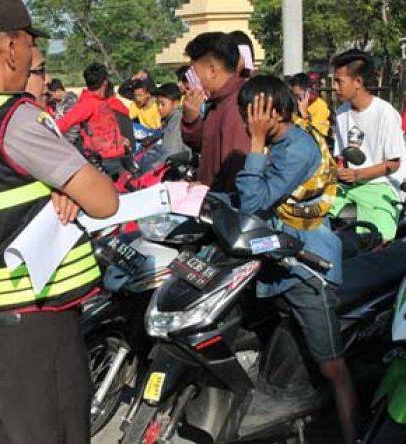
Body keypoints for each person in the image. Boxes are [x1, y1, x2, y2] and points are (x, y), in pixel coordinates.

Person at [0, 0, 119, 441]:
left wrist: (50, 187)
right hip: (34, 319)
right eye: (32, 47)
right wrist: (66, 186)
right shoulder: (12, 118)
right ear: (12, 48)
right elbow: (104, 201)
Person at [235, 75, 356, 444]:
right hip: (278, 259)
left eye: (253, 114)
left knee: (332, 364)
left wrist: (255, 144)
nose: (247, 122)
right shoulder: (283, 140)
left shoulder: (295, 149)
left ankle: (355, 434)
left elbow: (254, 202)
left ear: (274, 113)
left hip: (308, 269)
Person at [329, 49, 406, 242]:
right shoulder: (341, 113)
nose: (334, 87)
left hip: (381, 185)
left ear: (358, 82)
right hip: (348, 186)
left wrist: (357, 174)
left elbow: (394, 164)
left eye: (339, 81)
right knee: (316, 219)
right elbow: (341, 158)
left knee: (378, 241)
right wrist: (338, 171)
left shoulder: (385, 113)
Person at [181, 32, 251, 192]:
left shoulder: (236, 105)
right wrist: (191, 119)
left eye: (195, 70)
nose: (193, 78)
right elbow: (202, 145)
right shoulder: (216, 101)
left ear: (212, 70)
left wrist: (208, 191)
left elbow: (236, 174)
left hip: (224, 207)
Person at [57, 62, 129, 175]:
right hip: (103, 162)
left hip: (116, 156)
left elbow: (106, 129)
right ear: (105, 83)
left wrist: (121, 139)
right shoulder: (87, 104)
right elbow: (62, 124)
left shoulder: (101, 102)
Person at [137, 83, 190, 172]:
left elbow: (170, 153)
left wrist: (148, 171)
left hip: (174, 172)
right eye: (157, 104)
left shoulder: (176, 120)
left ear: (175, 103)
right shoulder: (168, 120)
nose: (159, 108)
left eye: (162, 104)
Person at [288, 72, 331, 141]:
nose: (296, 99)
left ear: (309, 91)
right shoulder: (296, 106)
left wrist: (304, 114)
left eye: (298, 95)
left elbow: (316, 136)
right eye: (294, 95)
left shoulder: (320, 106)